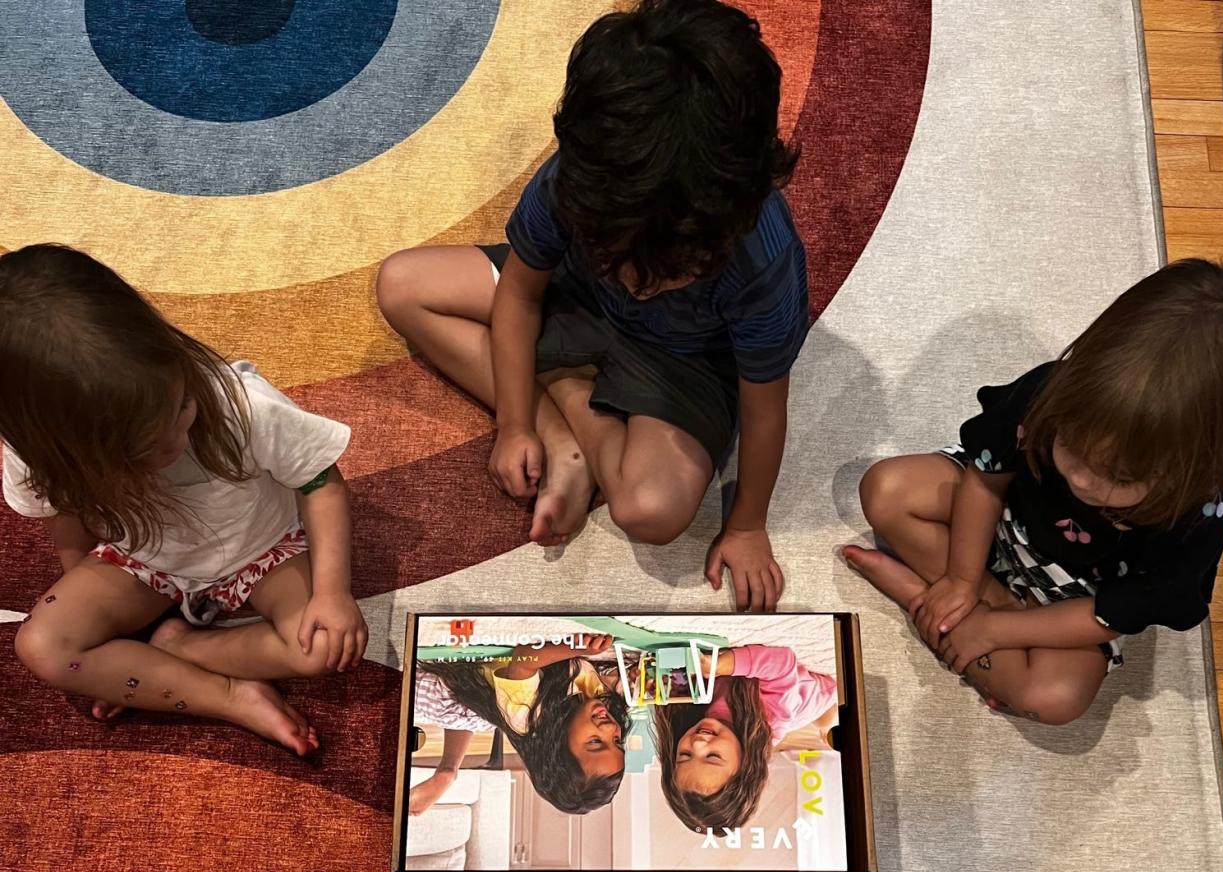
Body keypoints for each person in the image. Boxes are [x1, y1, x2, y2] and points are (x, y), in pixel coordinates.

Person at [376, 0, 807, 611]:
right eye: (618, 258)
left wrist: (744, 526)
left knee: (649, 511)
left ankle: (561, 386)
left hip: (680, 362)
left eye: (670, 274)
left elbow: (765, 410)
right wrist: (520, 425)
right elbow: (523, 293)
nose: (637, 284)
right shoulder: (573, 180)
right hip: (573, 297)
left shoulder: (763, 259)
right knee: (402, 284)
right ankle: (564, 437)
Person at [1, 244, 365, 756]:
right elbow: (66, 521)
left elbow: (319, 481)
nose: (182, 431)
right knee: (41, 647)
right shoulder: (37, 457)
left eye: (182, 405)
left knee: (323, 647)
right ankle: (229, 697)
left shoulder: (239, 403)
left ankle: (180, 650)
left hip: (264, 549)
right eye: (151, 447)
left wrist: (332, 593)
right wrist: (89, 597)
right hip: (143, 559)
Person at [844, 259, 1223, 725]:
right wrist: (960, 580)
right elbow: (985, 477)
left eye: (1120, 477)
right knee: (886, 489)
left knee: (1054, 699)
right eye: (1070, 447)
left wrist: (996, 628)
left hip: (1079, 594)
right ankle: (966, 610)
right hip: (1004, 519)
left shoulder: (1197, 512)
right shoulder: (1052, 388)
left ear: (1194, 466)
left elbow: (1118, 609)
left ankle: (923, 599)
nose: (1083, 481)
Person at [417, 634, 631, 814]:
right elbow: (606, 678)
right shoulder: (589, 707)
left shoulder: (527, 717)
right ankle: (448, 771)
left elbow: (524, 659)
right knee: (472, 712)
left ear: (557, 748)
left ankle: (447, 772)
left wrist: (574, 647)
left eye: (595, 742)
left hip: (446, 691)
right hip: (481, 703)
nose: (611, 728)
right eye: (616, 741)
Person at [653, 645, 837, 831]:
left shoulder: (692, 719)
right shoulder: (773, 715)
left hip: (766, 714)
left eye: (684, 755)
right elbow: (782, 662)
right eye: (713, 757)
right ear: (746, 765)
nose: (698, 744)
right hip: (813, 695)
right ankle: (826, 723)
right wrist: (723, 665)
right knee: (826, 710)